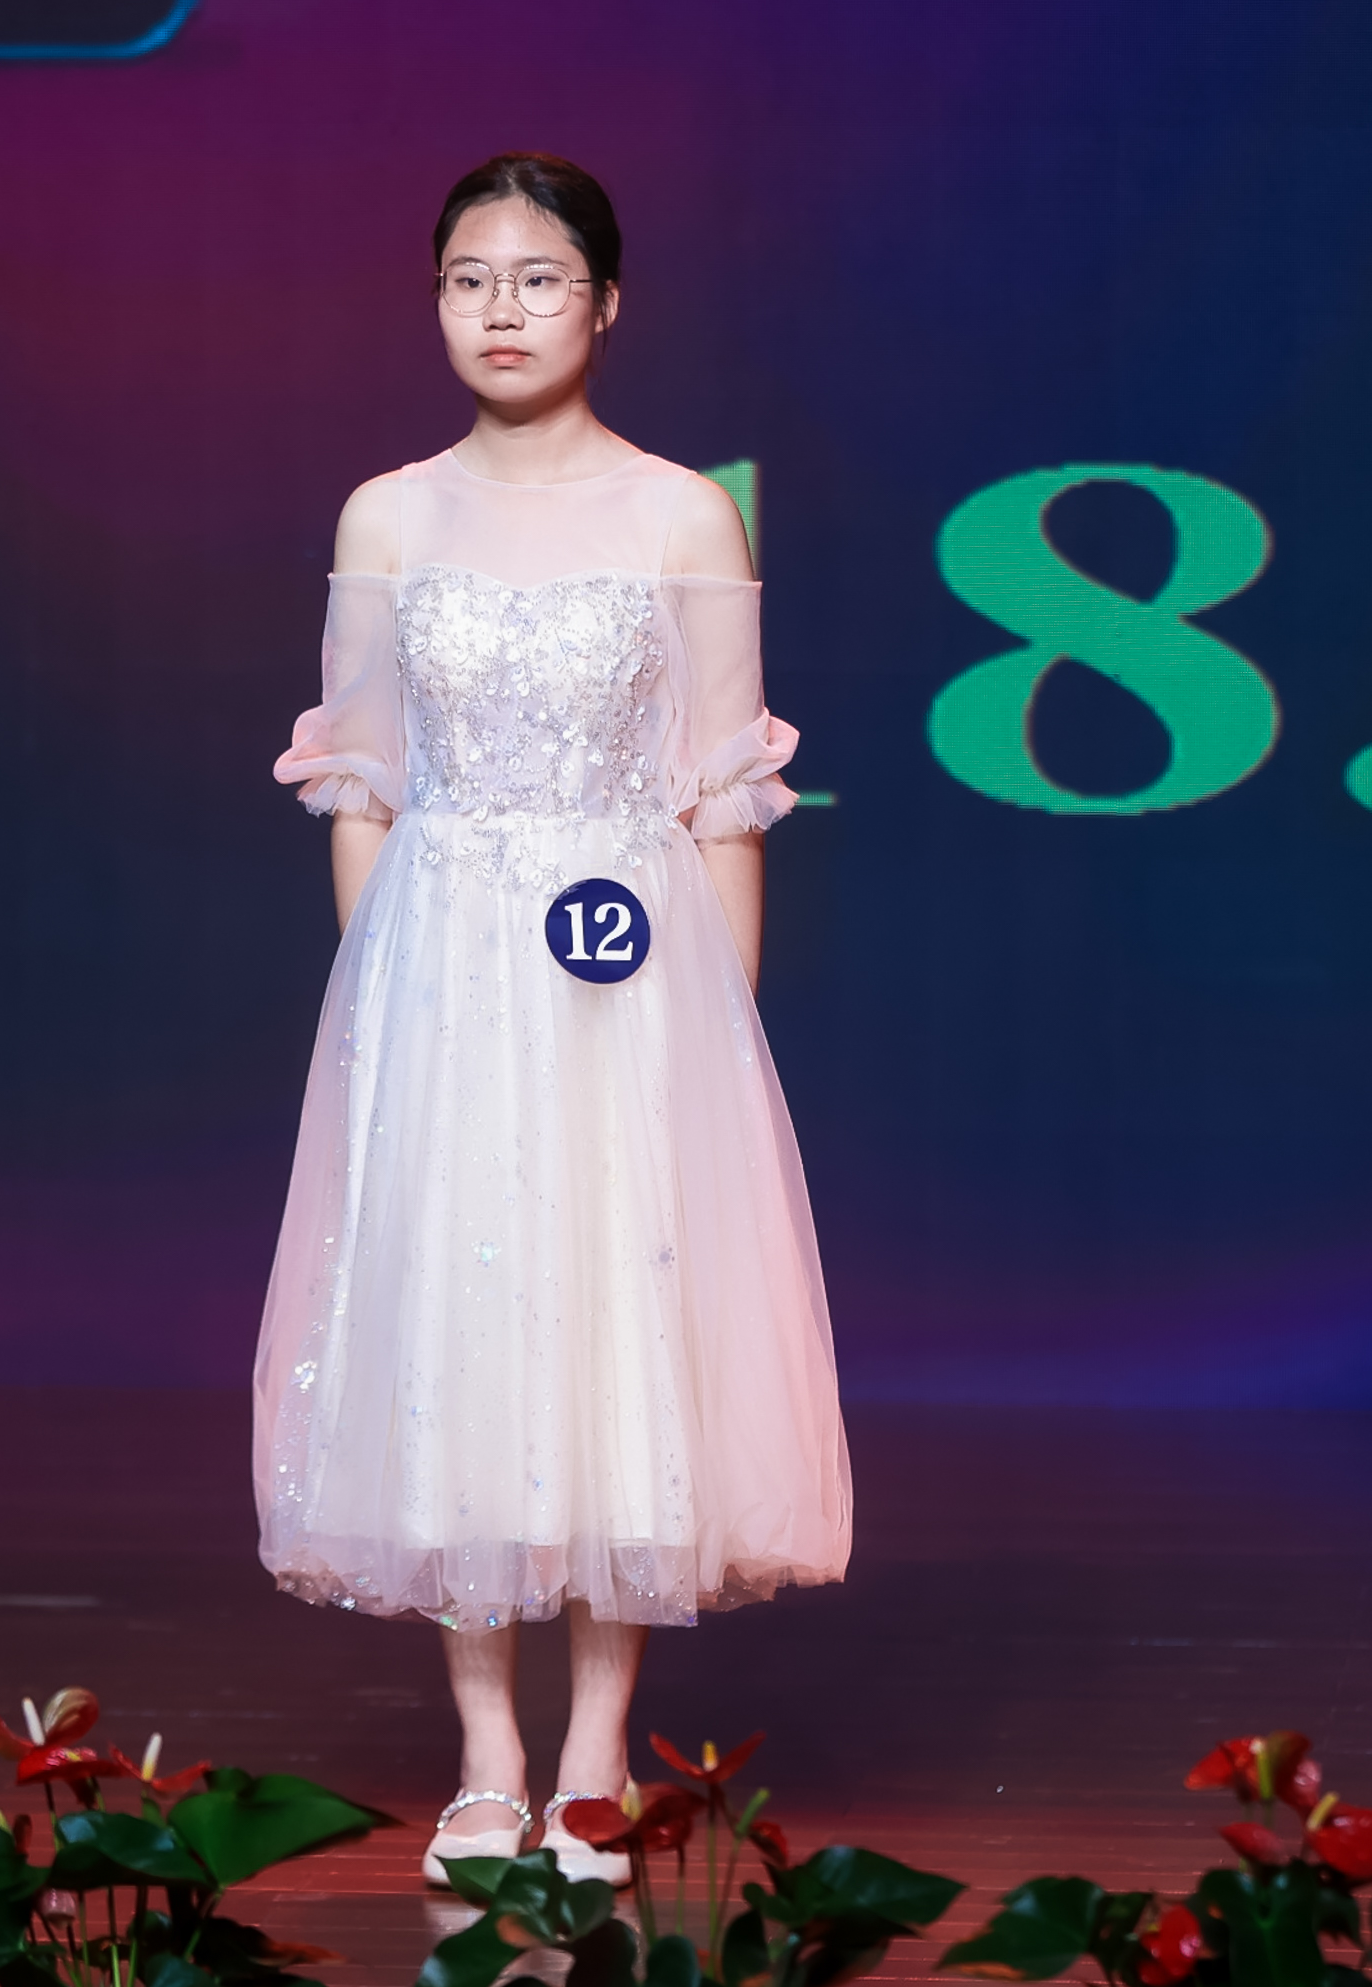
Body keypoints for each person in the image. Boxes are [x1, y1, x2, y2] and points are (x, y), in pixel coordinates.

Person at [254, 153, 852, 1891]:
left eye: (535, 279)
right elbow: (360, 781)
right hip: (439, 977)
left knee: (611, 1329)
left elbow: (722, 797)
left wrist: (711, 1039)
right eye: (467, 279)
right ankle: (484, 1758)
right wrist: (382, 1001)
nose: (499, 310)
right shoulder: (387, 515)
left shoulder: (681, 516)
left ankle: (593, 1751)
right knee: (458, 1334)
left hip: (626, 978)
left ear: (605, 303)